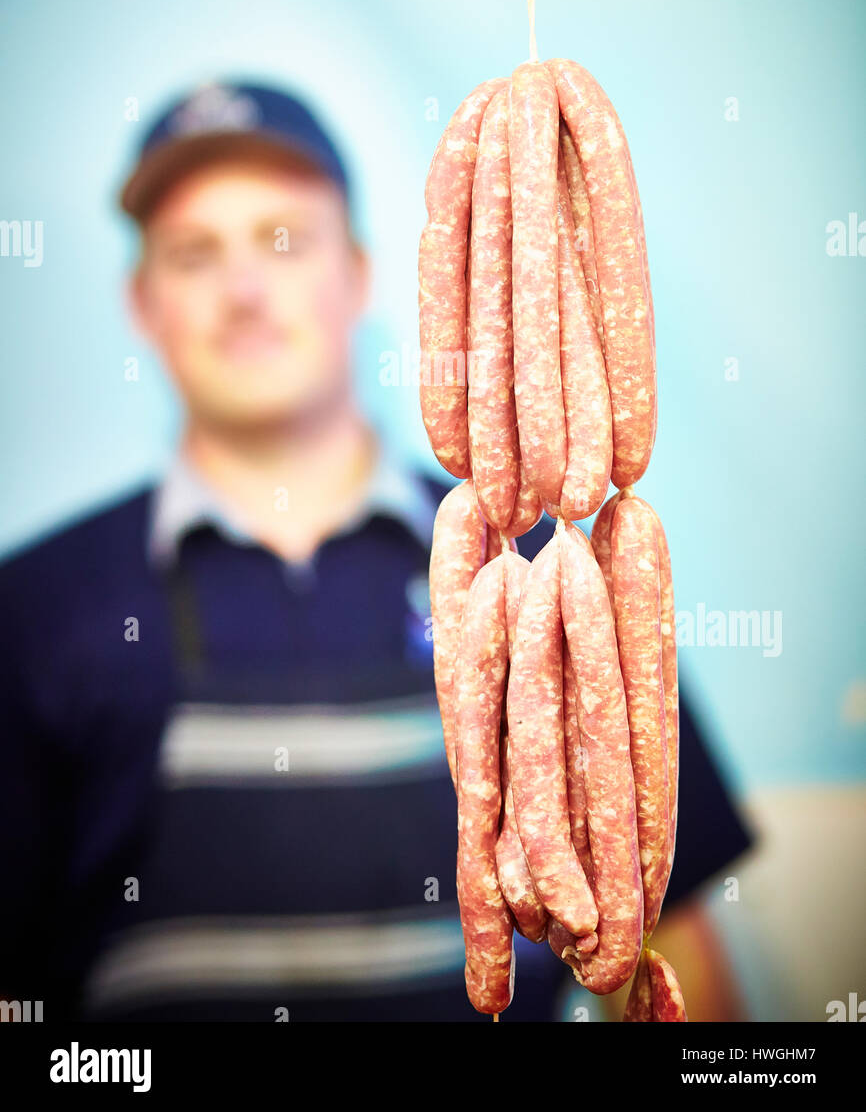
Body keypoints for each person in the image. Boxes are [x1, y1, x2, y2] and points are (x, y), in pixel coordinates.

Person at [0, 81, 753, 1023]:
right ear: (142, 305)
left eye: (283, 241)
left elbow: (667, 938)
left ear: (357, 275)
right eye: (195, 255)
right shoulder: (30, 609)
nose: (242, 290)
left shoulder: (550, 569)